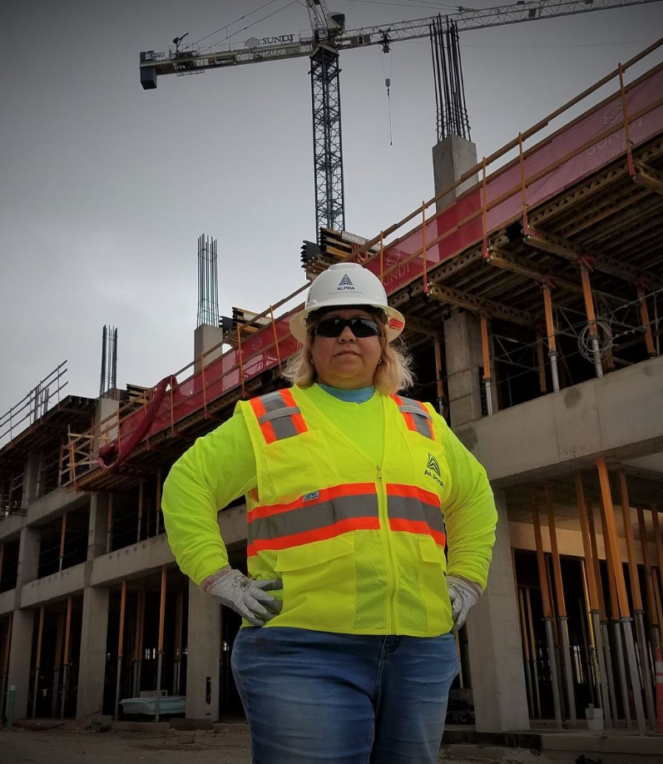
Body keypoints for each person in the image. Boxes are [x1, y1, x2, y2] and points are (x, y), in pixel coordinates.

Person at [162, 261, 497, 764]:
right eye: (329, 325)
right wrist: (218, 577)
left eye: (362, 324)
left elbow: (473, 498)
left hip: (420, 651)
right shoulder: (267, 421)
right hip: (302, 651)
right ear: (310, 343)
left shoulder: (424, 423)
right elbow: (187, 483)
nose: (346, 335)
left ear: (383, 338)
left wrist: (467, 578)